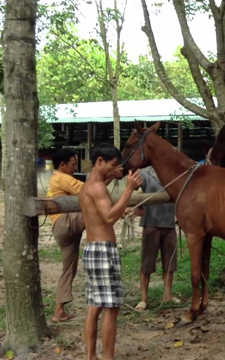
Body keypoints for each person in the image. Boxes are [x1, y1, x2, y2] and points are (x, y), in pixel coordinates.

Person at [79, 143, 142, 360]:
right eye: (112, 165)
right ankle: (108, 357)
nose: (116, 169)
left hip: (92, 250)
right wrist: (128, 189)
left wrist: (114, 176)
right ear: (99, 161)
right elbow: (108, 216)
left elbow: (103, 206)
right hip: (104, 252)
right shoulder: (97, 188)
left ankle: (91, 356)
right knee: (111, 308)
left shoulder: (89, 185)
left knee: (95, 306)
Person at [131, 166, 179, 311]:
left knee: (170, 262)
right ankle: (144, 298)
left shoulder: (174, 175)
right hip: (151, 225)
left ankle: (168, 295)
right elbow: (133, 186)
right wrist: (135, 205)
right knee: (147, 263)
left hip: (169, 224)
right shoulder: (145, 175)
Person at [47, 148, 85, 322]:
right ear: (62, 165)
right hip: (65, 222)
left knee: (68, 269)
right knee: (96, 211)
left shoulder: (59, 178)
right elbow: (89, 191)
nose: (75, 167)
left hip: (60, 227)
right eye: (73, 164)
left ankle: (59, 311)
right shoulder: (63, 178)